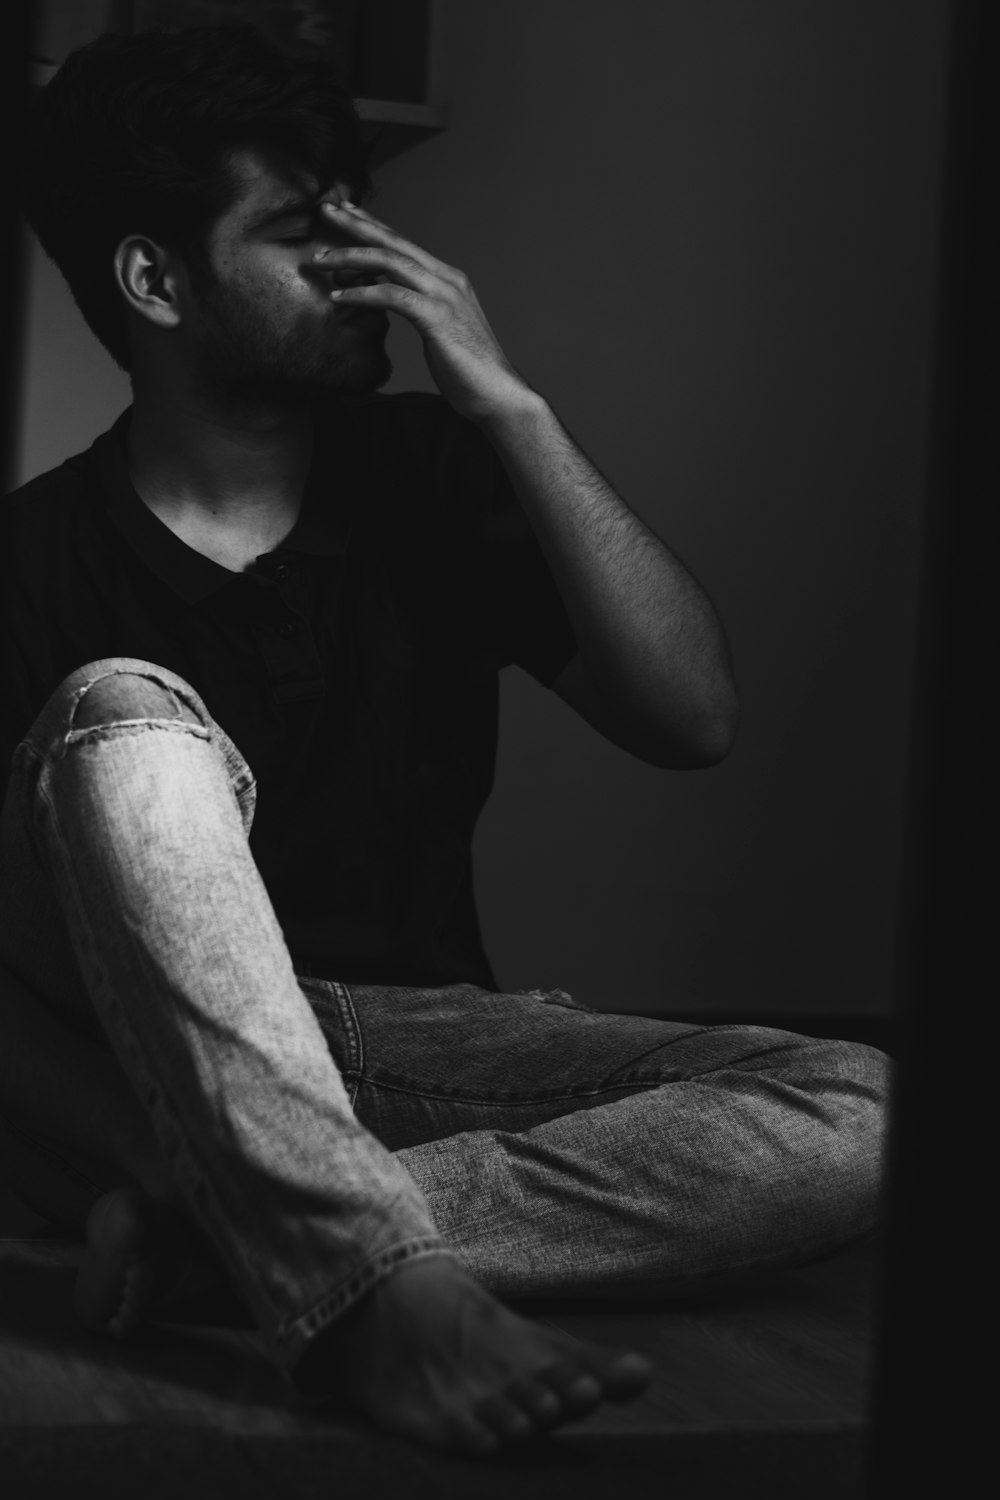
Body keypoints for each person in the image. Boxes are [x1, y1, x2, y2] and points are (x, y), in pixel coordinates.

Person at [0, 24, 889, 1460]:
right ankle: (347, 1263)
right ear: (156, 279)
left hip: (418, 1044)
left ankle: (248, 1245)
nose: (371, 264)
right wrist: (140, 1140)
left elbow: (692, 718)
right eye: (303, 233)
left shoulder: (431, 472)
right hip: (147, 1062)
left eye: (363, 215)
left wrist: (512, 408)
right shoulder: (31, 557)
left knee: (862, 1108)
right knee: (124, 718)